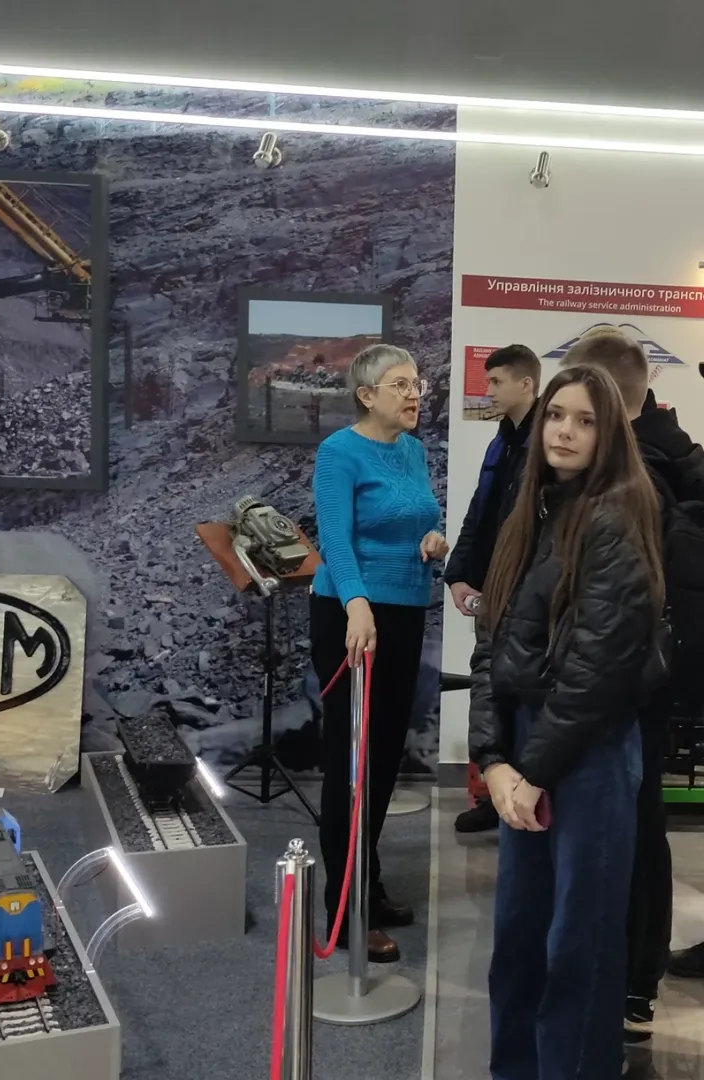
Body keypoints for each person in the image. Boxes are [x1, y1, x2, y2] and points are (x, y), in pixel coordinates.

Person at [470, 363, 664, 1080]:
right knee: (520, 940)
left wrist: (529, 772)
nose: (565, 431)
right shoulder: (531, 513)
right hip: (527, 752)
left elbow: (598, 670)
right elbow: (490, 645)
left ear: (609, 432)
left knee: (578, 948)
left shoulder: (616, 517)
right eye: (557, 415)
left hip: (588, 755)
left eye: (585, 420)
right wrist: (493, 759)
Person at [559, 328, 704, 1036]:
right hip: (653, 678)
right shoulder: (684, 458)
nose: (565, 428)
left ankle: (621, 981)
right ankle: (633, 978)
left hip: (621, 679)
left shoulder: (637, 476)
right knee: (641, 822)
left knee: (625, 825)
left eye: (579, 413)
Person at [311, 343, 449, 963]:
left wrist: (431, 539)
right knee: (352, 762)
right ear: (366, 395)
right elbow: (336, 541)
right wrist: (357, 603)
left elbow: (412, 519)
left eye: (417, 384)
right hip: (352, 617)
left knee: (386, 756)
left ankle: (366, 879)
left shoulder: (412, 450)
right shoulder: (338, 452)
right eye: (401, 385)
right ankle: (344, 910)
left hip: (404, 610)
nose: (414, 394)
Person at [445, 344, 541, 834]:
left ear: (526, 384)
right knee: (489, 688)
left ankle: (520, 796)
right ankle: (491, 791)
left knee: (516, 690)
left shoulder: (545, 446)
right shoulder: (500, 443)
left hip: (527, 595)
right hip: (493, 589)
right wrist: (458, 574)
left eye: (497, 382)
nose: (488, 391)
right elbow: (478, 513)